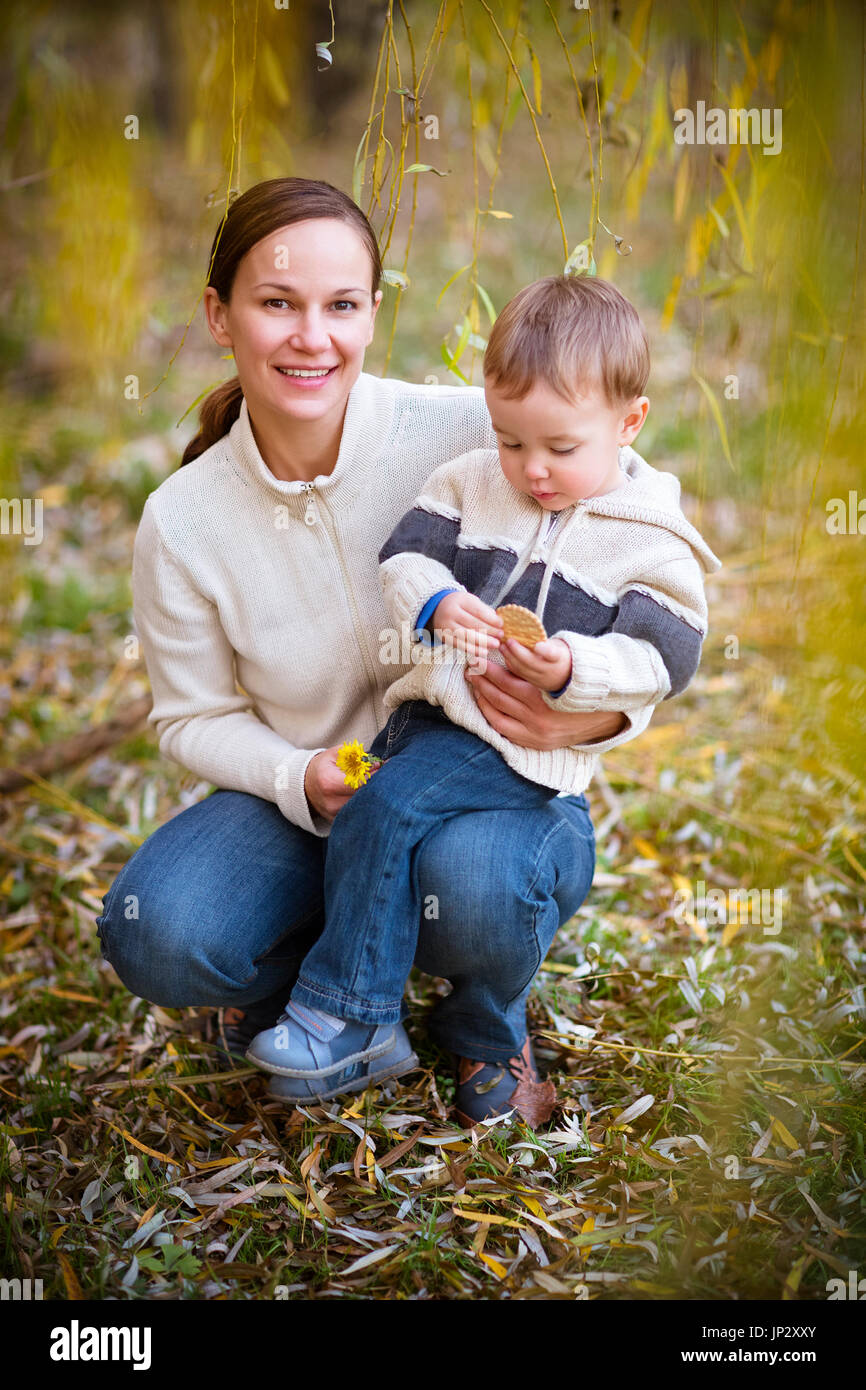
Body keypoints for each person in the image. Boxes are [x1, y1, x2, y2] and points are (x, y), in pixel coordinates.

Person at [95, 177, 659, 1128]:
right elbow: (190, 717)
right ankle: (325, 977)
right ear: (219, 316)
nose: (312, 337)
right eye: (277, 303)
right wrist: (295, 774)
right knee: (161, 934)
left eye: (341, 306)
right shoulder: (183, 521)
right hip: (317, 800)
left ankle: (486, 1017)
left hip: (485, 784)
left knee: (475, 889)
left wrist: (602, 707)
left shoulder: (459, 431)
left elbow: (623, 501)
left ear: (370, 314)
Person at [245, 275, 722, 1125]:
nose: (532, 470)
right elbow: (405, 558)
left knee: (386, 809)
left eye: (560, 448)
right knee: (368, 803)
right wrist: (433, 602)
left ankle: (350, 1015)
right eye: (511, 442)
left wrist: (575, 667)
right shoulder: (472, 482)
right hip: (432, 723)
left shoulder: (647, 536)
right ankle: (354, 991)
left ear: (631, 423)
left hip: (525, 756)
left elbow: (667, 656)